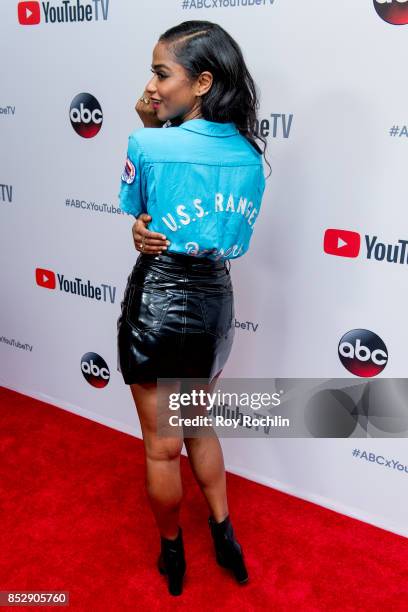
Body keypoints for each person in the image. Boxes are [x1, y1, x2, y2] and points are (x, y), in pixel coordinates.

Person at [116, 20, 270, 597]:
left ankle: (172, 551)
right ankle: (225, 535)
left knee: (162, 446)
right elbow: (231, 234)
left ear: (202, 81)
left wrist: (148, 124)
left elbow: (140, 209)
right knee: (198, 427)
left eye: (161, 73)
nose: (152, 86)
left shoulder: (148, 140)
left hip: (157, 304)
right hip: (215, 305)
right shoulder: (252, 156)